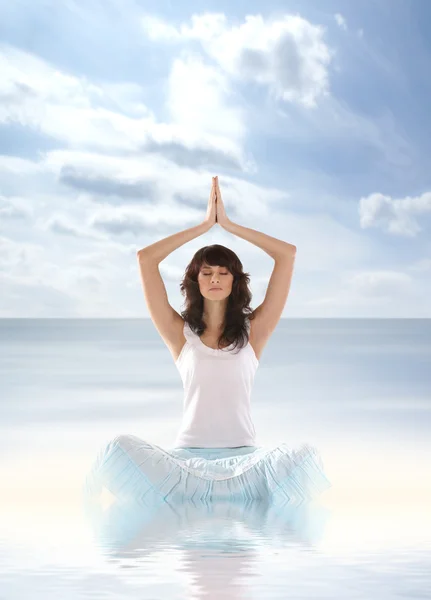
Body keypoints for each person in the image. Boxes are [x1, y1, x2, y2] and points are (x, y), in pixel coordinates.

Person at [83, 177, 331, 506]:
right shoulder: (179, 333)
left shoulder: (254, 331)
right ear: (195, 281)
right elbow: (145, 259)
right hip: (185, 465)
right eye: (206, 272)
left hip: (245, 463)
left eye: (223, 272)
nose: (214, 277)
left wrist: (227, 225)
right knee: (115, 448)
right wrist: (203, 226)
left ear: (235, 281)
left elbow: (287, 255)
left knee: (306, 456)